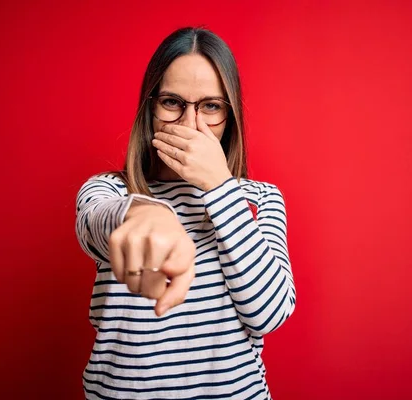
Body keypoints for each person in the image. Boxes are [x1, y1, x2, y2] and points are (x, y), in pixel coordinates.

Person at [75, 26, 296, 400]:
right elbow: (96, 222)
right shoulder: (109, 190)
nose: (190, 123)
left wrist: (221, 187)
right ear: (150, 108)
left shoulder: (262, 200)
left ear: (229, 118)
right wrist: (144, 212)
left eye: (210, 106)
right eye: (172, 102)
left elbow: (270, 314)